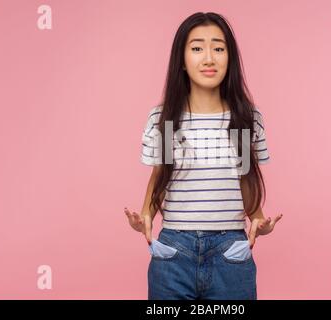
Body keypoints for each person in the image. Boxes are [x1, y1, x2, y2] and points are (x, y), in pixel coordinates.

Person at [125, 12, 282, 300]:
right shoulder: (165, 118)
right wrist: (145, 214)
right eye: (197, 48)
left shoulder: (245, 118)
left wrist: (259, 218)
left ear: (229, 58)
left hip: (230, 252)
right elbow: (160, 175)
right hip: (175, 249)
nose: (208, 58)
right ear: (182, 60)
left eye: (218, 48)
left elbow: (246, 178)